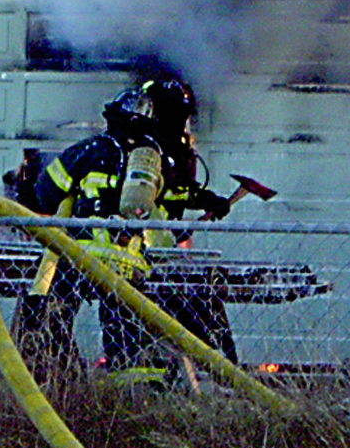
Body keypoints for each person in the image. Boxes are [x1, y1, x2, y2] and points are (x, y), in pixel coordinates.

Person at [19, 77, 235, 372]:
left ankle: (58, 378)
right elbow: (176, 195)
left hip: (80, 256)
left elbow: (45, 193)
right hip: (127, 262)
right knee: (127, 337)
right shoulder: (152, 162)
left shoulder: (88, 151)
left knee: (52, 317)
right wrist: (211, 200)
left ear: (111, 119)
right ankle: (134, 391)